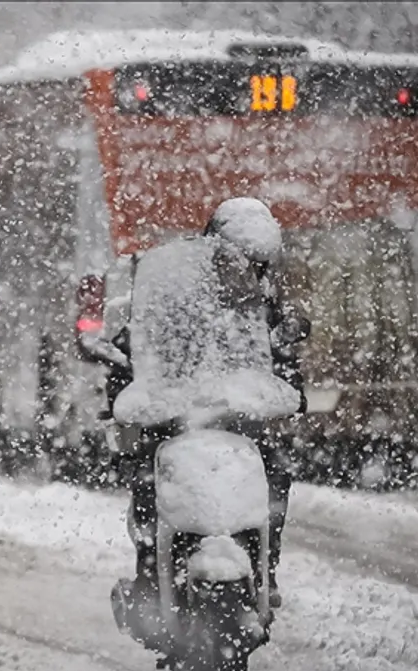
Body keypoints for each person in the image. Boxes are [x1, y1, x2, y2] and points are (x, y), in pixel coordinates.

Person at [121, 197, 307, 609]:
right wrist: (127, 376)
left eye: (259, 263)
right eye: (242, 259)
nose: (249, 270)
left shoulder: (263, 303)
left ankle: (264, 570)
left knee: (275, 473)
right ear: (213, 247)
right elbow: (138, 341)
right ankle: (150, 575)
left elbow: (281, 352)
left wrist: (290, 382)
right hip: (176, 418)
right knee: (145, 476)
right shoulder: (175, 291)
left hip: (236, 421)